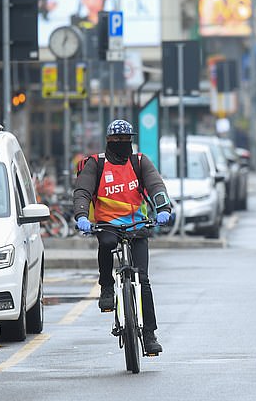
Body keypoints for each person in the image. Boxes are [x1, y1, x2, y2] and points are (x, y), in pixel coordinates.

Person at [72, 119, 173, 355]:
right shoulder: (96, 164)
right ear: (108, 141)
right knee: (106, 244)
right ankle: (106, 286)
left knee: (144, 281)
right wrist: (81, 216)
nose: (121, 144)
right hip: (108, 225)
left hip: (137, 225)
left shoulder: (139, 162)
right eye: (117, 140)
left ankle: (149, 335)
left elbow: (156, 186)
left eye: (126, 140)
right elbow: (83, 191)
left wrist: (164, 209)